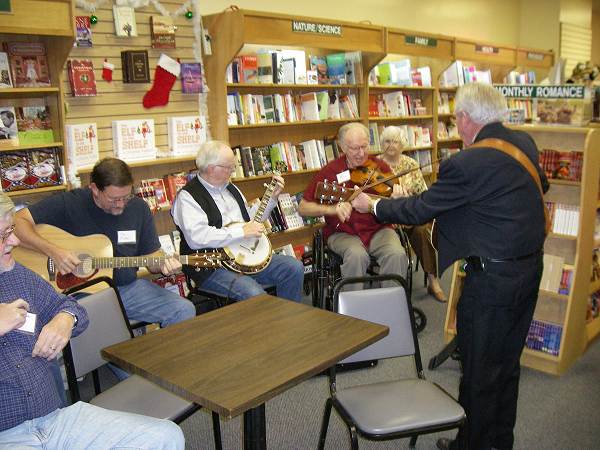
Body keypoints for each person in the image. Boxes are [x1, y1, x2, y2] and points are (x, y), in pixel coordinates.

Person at [352, 83, 548, 450]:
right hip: (529, 270)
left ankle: (470, 445)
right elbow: (539, 187)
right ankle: (498, 441)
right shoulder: (524, 142)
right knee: (507, 364)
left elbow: (419, 209)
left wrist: (372, 206)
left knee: (477, 370)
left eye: (457, 119)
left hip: (492, 282)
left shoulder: (466, 162)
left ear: (465, 118)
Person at [0, 191, 185, 449]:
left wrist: (64, 318)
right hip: (8, 434)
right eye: (3, 235)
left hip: (55, 419)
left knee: (167, 436)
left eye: (10, 230)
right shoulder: (69, 202)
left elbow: (70, 306)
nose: (14, 241)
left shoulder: (18, 274)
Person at [14, 157, 196, 328]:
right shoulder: (71, 203)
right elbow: (17, 223)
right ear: (94, 189)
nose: (121, 204)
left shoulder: (139, 208)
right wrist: (54, 251)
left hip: (128, 289)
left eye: (126, 197)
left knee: (184, 310)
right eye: (114, 199)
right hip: (79, 293)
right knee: (105, 327)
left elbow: (152, 257)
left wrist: (163, 263)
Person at [171, 140, 304, 302]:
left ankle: (289, 320)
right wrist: (241, 232)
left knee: (293, 268)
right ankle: (266, 326)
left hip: (245, 256)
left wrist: (271, 198)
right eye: (230, 167)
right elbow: (197, 238)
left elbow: (250, 220)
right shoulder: (188, 197)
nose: (233, 171)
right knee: (253, 293)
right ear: (212, 168)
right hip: (211, 265)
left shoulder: (232, 189)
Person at [298, 122, 408, 289]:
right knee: (357, 256)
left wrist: (396, 199)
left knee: (397, 254)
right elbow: (303, 207)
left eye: (364, 146)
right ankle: (352, 312)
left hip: (378, 229)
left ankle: (390, 307)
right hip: (342, 232)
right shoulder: (330, 171)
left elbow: (395, 207)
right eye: (354, 148)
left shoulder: (380, 167)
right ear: (342, 147)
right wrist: (332, 209)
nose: (361, 153)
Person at [377, 125, 446, 302]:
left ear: (402, 145)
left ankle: (433, 281)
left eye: (395, 141)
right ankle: (391, 286)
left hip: (409, 214)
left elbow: (423, 194)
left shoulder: (411, 164)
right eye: (387, 141)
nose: (391, 145)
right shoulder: (375, 165)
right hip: (385, 219)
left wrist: (408, 195)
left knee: (422, 231)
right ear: (381, 143)